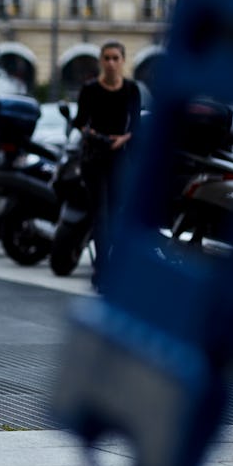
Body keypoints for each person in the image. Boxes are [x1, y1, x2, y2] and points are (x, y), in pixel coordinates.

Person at [72, 40, 141, 290]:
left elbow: (136, 126)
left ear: (123, 61)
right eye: (107, 58)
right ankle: (101, 270)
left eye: (116, 58)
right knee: (100, 215)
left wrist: (123, 139)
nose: (111, 63)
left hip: (119, 158)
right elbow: (79, 121)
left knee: (115, 216)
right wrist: (92, 134)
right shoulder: (90, 89)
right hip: (94, 158)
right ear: (101, 61)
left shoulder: (132, 90)